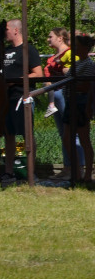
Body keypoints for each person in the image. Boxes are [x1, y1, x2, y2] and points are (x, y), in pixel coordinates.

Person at [2, 19, 43, 178]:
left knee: (27, 135)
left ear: (16, 30)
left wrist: (15, 81)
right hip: (6, 99)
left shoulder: (28, 50)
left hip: (22, 97)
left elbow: (38, 74)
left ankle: (31, 172)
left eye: (6, 29)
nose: (4, 32)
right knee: (8, 135)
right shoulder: (4, 51)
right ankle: (8, 171)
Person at [44, 27, 83, 176]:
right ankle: (67, 167)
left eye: (50, 36)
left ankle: (79, 167)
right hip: (54, 94)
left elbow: (71, 72)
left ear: (60, 38)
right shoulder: (54, 57)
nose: (48, 39)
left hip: (65, 94)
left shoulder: (69, 53)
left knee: (73, 131)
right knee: (63, 133)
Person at [64, 34, 94, 182]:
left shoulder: (89, 64)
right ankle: (76, 172)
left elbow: (87, 86)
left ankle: (87, 174)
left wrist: (71, 85)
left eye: (76, 45)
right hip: (71, 102)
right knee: (67, 139)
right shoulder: (76, 63)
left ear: (85, 48)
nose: (74, 48)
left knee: (84, 139)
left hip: (81, 103)